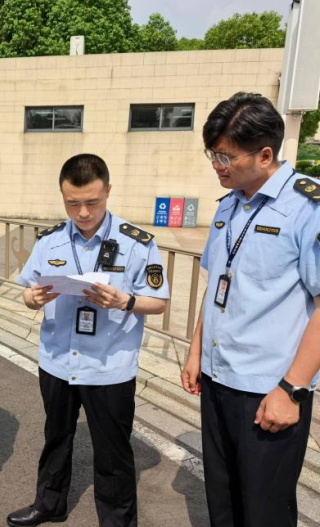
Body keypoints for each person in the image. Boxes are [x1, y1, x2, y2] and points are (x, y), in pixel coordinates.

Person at [7, 154, 170, 527]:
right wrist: (33, 298)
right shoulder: (50, 240)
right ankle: (49, 503)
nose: (82, 213)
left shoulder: (136, 243)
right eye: (73, 203)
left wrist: (125, 301)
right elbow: (27, 290)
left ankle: (117, 521)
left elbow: (159, 302)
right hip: (57, 361)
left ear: (108, 191)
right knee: (56, 437)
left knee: (112, 451)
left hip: (108, 365)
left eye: (92, 202)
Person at [180, 92, 320, 526]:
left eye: (226, 156)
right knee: (222, 502)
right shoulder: (229, 205)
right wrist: (196, 351)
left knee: (265, 511)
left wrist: (292, 390)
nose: (217, 166)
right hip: (217, 379)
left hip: (269, 389)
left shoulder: (307, 209)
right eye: (213, 155)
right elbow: (217, 287)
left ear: (265, 155)